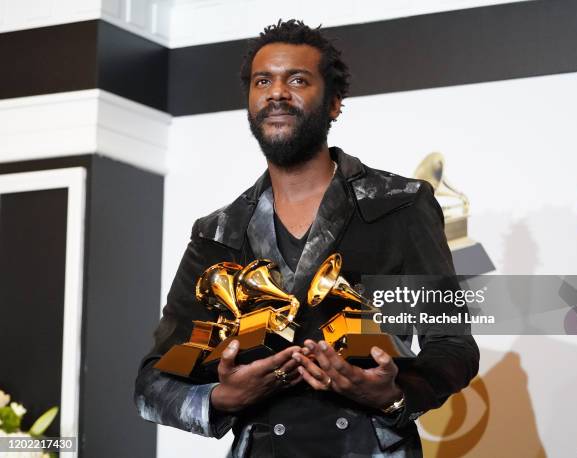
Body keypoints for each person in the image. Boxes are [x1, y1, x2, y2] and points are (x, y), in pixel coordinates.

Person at [134, 19, 479, 458]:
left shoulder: (398, 206)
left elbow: (451, 343)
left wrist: (392, 395)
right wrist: (223, 399)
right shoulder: (218, 234)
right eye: (263, 81)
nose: (277, 92)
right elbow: (154, 381)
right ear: (250, 102)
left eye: (297, 79)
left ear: (334, 103)